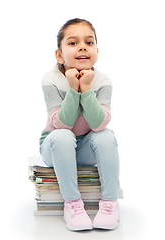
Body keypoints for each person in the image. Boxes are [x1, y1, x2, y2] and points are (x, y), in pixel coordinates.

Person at [39, 18, 120, 231]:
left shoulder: (103, 81)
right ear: (59, 54)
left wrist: (86, 87)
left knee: (106, 134)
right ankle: (73, 204)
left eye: (89, 42)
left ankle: (110, 202)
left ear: (96, 51)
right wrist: (73, 88)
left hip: (84, 148)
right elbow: (61, 123)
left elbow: (99, 123)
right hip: (55, 146)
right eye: (73, 43)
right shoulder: (51, 79)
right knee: (63, 136)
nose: (82, 46)